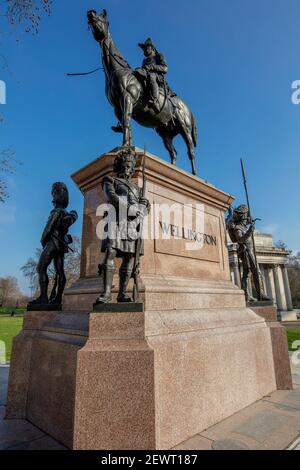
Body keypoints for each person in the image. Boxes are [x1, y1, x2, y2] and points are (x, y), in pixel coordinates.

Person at [96, 148, 150, 303]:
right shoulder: (110, 180)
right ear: (118, 167)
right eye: (124, 165)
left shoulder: (137, 189)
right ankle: (106, 293)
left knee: (129, 259)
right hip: (115, 221)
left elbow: (145, 210)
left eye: (129, 165)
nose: (126, 168)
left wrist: (145, 206)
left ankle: (121, 294)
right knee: (110, 253)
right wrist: (131, 209)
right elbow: (112, 197)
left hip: (132, 226)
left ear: (132, 168)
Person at [28, 182, 78, 306]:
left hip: (53, 243)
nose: (53, 195)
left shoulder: (56, 211)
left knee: (40, 268)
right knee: (60, 271)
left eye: (54, 193)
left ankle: (44, 298)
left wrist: (43, 242)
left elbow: (47, 230)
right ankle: (57, 299)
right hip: (61, 245)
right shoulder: (65, 212)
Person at [227, 204, 269, 302]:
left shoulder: (243, 227)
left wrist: (250, 227)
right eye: (245, 216)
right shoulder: (238, 228)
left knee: (248, 273)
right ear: (243, 217)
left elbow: (250, 219)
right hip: (246, 252)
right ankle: (255, 294)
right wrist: (250, 231)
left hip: (250, 251)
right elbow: (240, 240)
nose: (247, 218)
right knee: (254, 273)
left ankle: (252, 294)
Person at [135, 37, 168, 113]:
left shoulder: (159, 55)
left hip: (156, 76)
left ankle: (154, 100)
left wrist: (152, 67)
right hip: (145, 73)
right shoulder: (144, 60)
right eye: (144, 48)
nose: (145, 50)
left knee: (151, 76)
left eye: (147, 47)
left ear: (152, 48)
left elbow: (165, 68)